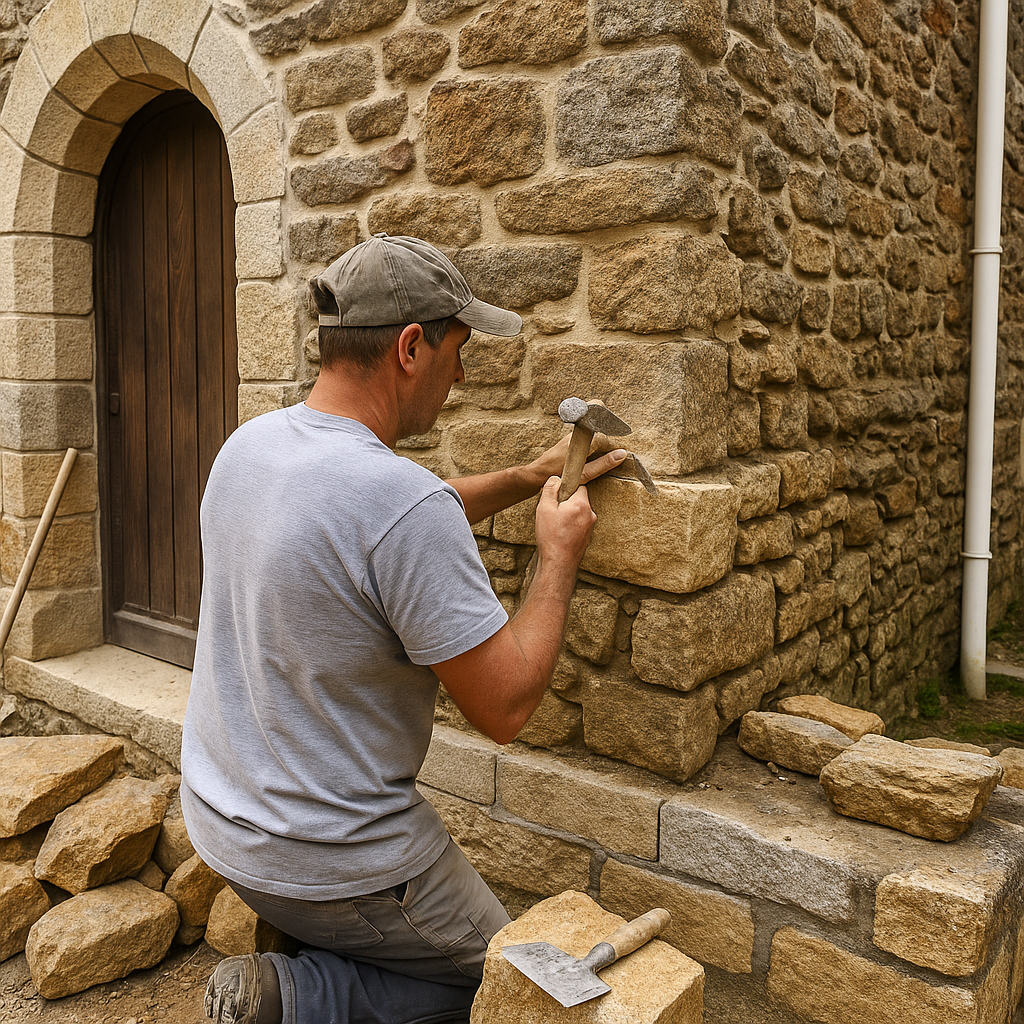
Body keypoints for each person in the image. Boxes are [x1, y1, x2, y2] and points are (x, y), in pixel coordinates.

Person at [179, 234, 627, 1024]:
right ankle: (300, 998)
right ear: (412, 346)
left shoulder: (248, 447)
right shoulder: (400, 505)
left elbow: (383, 520)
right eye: (460, 349)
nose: (463, 373)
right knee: (510, 987)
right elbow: (507, 708)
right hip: (333, 860)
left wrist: (525, 478)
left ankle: (314, 952)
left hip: (221, 822)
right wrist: (558, 554)